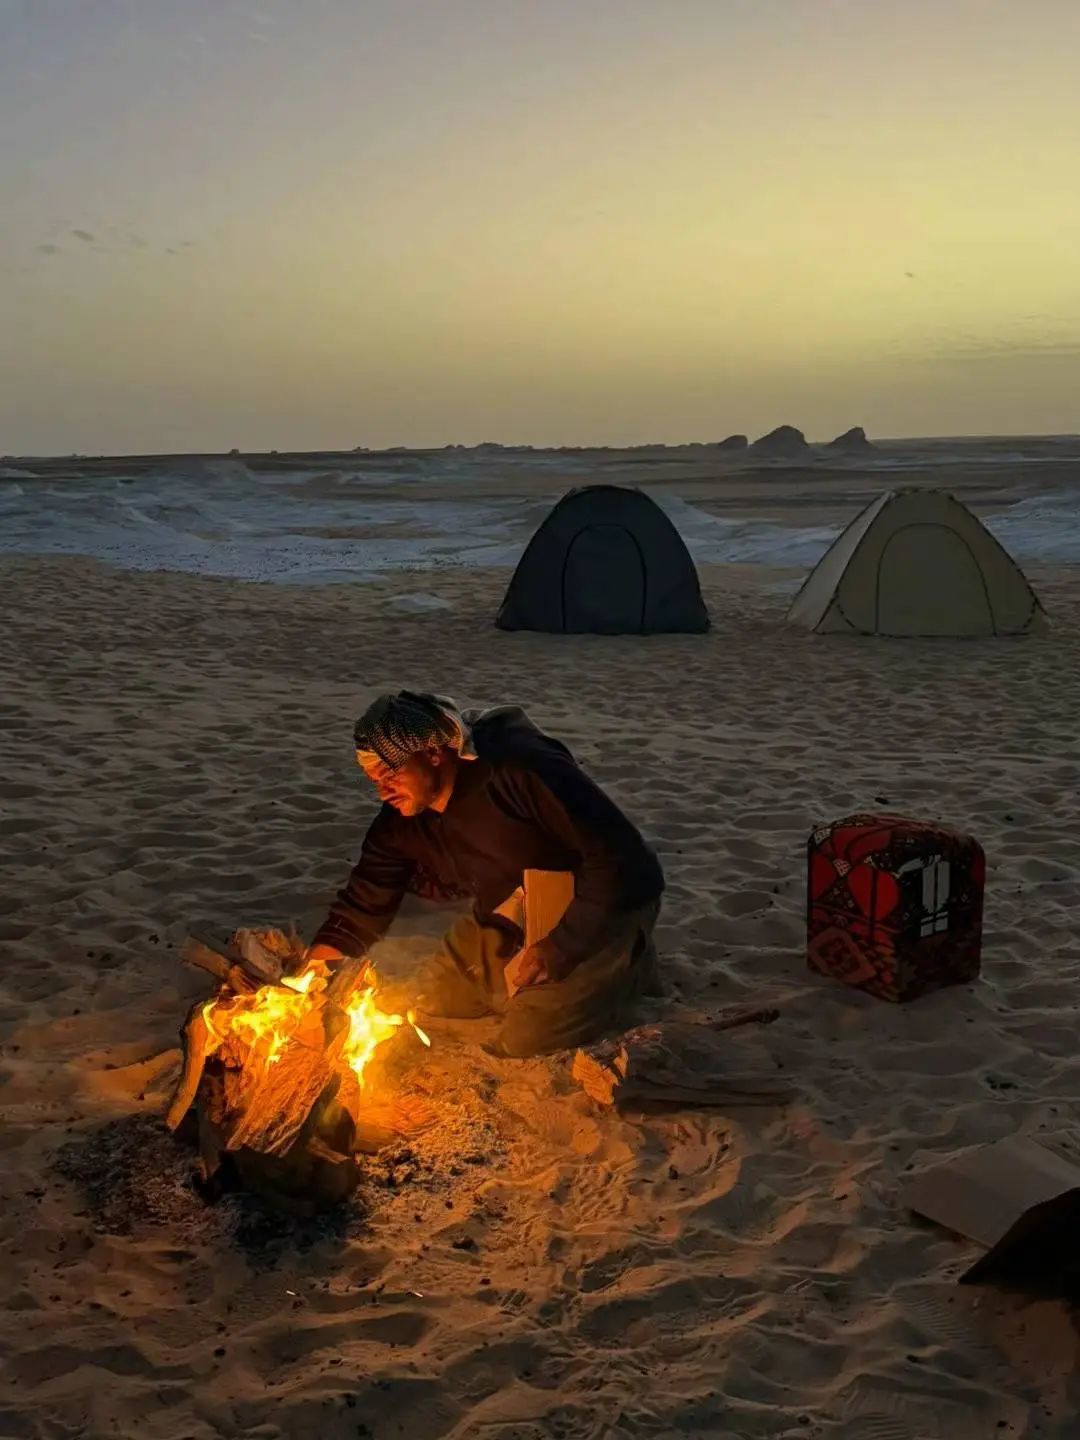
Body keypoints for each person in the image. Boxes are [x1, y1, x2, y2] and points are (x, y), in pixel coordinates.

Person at [307, 690, 664, 1057]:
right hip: (511, 910)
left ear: (433, 753)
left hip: (599, 905)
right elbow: (361, 905)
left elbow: (629, 863)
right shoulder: (402, 821)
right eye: (373, 780)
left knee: (526, 1040)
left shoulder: (521, 770)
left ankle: (630, 965)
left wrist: (563, 945)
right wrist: (307, 984)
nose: (383, 792)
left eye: (391, 774)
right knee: (428, 998)